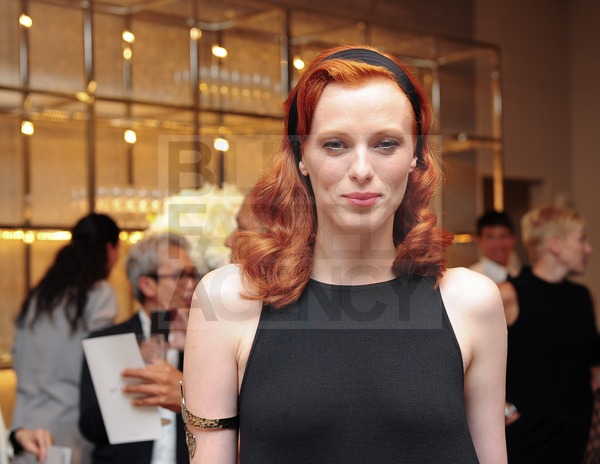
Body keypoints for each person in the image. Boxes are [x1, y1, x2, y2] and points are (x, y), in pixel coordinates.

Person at [182, 45, 507, 463]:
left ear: (416, 156)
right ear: (301, 156)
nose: (361, 170)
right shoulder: (229, 301)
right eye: (335, 144)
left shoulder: (471, 302)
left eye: (386, 144)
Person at [79, 231, 199, 464]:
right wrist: (134, 370)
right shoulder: (110, 341)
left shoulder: (203, 341)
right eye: (179, 276)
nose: (191, 285)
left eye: (192, 275)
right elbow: (90, 428)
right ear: (147, 285)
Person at [11, 213, 120, 464]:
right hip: (65, 434)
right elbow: (105, 367)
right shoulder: (99, 294)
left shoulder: (39, 296)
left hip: (22, 430)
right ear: (109, 249)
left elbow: (17, 355)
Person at [499, 205, 599, 463]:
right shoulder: (509, 295)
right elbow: (462, 358)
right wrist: (502, 408)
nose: (588, 249)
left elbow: (590, 364)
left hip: (576, 439)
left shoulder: (583, 297)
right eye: (581, 239)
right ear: (555, 245)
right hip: (527, 440)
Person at [470, 209, 519, 284]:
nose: (498, 244)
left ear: (513, 238)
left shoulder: (516, 275)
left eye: (503, 236)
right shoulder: (472, 279)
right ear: (479, 240)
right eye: (491, 237)